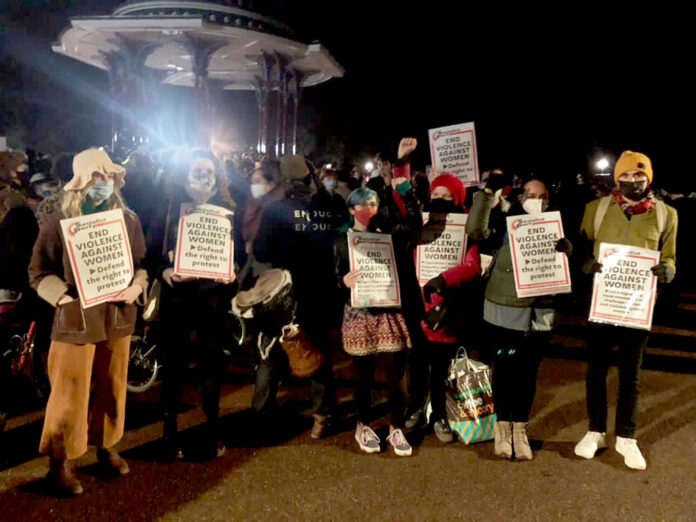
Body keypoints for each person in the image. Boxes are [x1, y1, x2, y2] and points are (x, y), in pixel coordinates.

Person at [28, 148, 148, 495]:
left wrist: (137, 286)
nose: (106, 182)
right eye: (98, 176)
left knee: (112, 386)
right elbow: (38, 272)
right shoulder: (58, 222)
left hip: (117, 317)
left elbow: (141, 263)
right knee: (69, 392)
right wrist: (61, 298)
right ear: (81, 182)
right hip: (76, 320)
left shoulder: (128, 220)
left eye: (110, 176)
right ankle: (60, 462)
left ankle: (106, 445)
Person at [574, 151, 677, 471]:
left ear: (649, 179)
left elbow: (670, 256)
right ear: (617, 178)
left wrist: (668, 270)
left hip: (638, 307)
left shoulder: (666, 214)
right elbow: (580, 248)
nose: (633, 182)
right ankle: (595, 431)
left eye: (639, 176)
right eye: (627, 176)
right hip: (603, 304)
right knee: (596, 370)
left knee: (630, 374)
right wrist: (585, 264)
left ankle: (626, 437)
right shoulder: (597, 209)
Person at [467, 176, 571, 460]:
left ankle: (520, 429)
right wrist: (487, 193)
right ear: (520, 198)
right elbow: (475, 230)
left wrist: (567, 254)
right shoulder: (504, 221)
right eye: (529, 194)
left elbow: (571, 266)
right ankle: (502, 428)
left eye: (541, 195)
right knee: (504, 367)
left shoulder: (557, 226)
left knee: (527, 372)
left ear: (548, 200)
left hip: (539, 317)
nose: (535, 200)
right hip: (505, 314)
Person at [335, 138, 422, 457]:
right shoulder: (342, 241)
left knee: (396, 375)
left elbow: (414, 221)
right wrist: (344, 282)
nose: (367, 209)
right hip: (359, 312)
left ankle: (396, 427)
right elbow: (334, 279)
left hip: (389, 310)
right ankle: (363, 424)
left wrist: (400, 174)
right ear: (351, 209)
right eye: (361, 204)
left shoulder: (391, 236)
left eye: (372, 204)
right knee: (363, 377)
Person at [240, 158, 336, 438]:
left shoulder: (275, 210)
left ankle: (262, 411)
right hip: (318, 292)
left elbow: (261, 251)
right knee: (318, 355)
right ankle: (322, 417)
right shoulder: (324, 210)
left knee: (270, 352)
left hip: (283, 293)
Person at [152, 149, 237, 461]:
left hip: (212, 299)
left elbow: (236, 253)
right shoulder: (169, 207)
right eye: (197, 171)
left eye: (209, 171)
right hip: (177, 297)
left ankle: (212, 426)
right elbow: (151, 252)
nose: (204, 176)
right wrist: (165, 270)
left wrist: (232, 274)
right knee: (173, 365)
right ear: (184, 174)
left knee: (211, 365)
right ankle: (169, 428)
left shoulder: (227, 208)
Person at [409, 173, 481, 443]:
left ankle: (440, 415)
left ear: (457, 199)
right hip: (418, 306)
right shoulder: (420, 222)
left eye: (446, 196)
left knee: (441, 368)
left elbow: (472, 266)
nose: (439, 200)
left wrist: (444, 279)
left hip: (448, 309)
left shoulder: (466, 228)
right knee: (417, 364)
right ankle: (415, 408)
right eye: (435, 195)